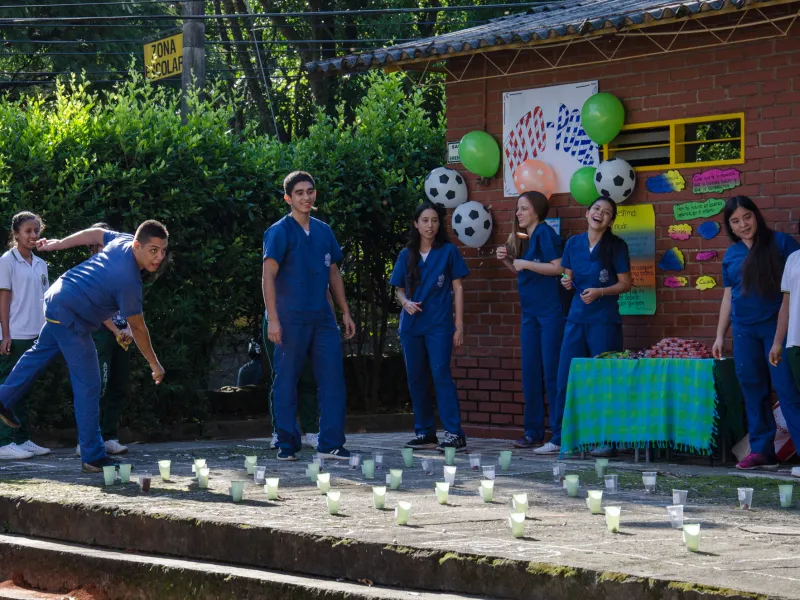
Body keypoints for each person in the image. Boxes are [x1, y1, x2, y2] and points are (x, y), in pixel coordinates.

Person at [0, 221, 168, 472]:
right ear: (137, 245)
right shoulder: (128, 280)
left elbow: (96, 233)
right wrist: (155, 364)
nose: (159, 257)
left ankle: (3, 398)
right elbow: (138, 328)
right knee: (89, 385)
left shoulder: (123, 241)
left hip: (57, 298)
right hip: (71, 316)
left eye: (163, 251)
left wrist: (59, 244)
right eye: (153, 250)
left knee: (37, 356)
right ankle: (93, 455)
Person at [262, 171, 356, 461]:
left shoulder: (324, 231)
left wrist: (345, 312)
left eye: (310, 191)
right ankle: (287, 444)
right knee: (286, 380)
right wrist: (273, 319)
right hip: (289, 318)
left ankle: (331, 444)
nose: (306, 197)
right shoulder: (278, 231)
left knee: (333, 379)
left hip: (322, 318)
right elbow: (267, 277)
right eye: (299, 192)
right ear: (288, 198)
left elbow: (333, 273)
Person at [536, 197, 631, 456]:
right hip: (576, 318)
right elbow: (567, 275)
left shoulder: (616, 246)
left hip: (604, 321)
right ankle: (560, 437)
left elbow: (626, 284)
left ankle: (607, 439)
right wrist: (566, 281)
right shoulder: (573, 243)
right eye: (597, 209)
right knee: (565, 377)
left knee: (605, 379)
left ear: (611, 221)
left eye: (607, 212)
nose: (600, 214)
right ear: (587, 213)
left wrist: (601, 291)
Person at [713, 196, 800, 470]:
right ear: (730, 226)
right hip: (744, 332)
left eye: (747, 217)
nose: (743, 224)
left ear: (756, 215)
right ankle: (762, 451)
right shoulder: (732, 254)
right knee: (753, 389)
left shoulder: (782, 243)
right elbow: (729, 296)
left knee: (788, 389)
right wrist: (720, 335)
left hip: (778, 329)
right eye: (735, 221)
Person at [390, 201, 470, 452]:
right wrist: (405, 303)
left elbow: (458, 288)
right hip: (411, 327)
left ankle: (455, 434)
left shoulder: (448, 251)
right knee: (416, 378)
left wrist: (459, 325)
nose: (430, 225)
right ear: (416, 224)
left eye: (434, 220)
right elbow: (398, 290)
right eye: (425, 220)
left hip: (439, 325)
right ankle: (425, 432)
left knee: (440, 374)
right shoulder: (406, 255)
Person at [496, 192, 564, 449]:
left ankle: (558, 434)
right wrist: (507, 259)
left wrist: (525, 263)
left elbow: (559, 267)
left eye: (524, 208)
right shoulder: (524, 236)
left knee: (551, 372)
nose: (519, 213)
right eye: (518, 208)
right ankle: (532, 431)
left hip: (550, 312)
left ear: (537, 210)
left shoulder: (545, 233)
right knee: (531, 373)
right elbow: (520, 269)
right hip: (530, 314)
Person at [74, 224, 134, 458]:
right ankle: (87, 440)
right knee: (97, 386)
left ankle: (109, 437)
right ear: (92, 246)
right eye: (100, 243)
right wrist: (116, 329)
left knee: (119, 385)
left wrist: (128, 328)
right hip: (99, 332)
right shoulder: (89, 269)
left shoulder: (122, 267)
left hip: (123, 334)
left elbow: (131, 302)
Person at [0, 212, 51, 460]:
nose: (33, 235)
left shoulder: (41, 264)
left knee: (25, 390)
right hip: (15, 334)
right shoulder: (6, 261)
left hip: (36, 335)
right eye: (28, 231)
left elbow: (45, 300)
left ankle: (22, 439)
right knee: (8, 388)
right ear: (16, 234)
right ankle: (3, 443)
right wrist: (5, 334)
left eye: (36, 231)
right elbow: (3, 298)